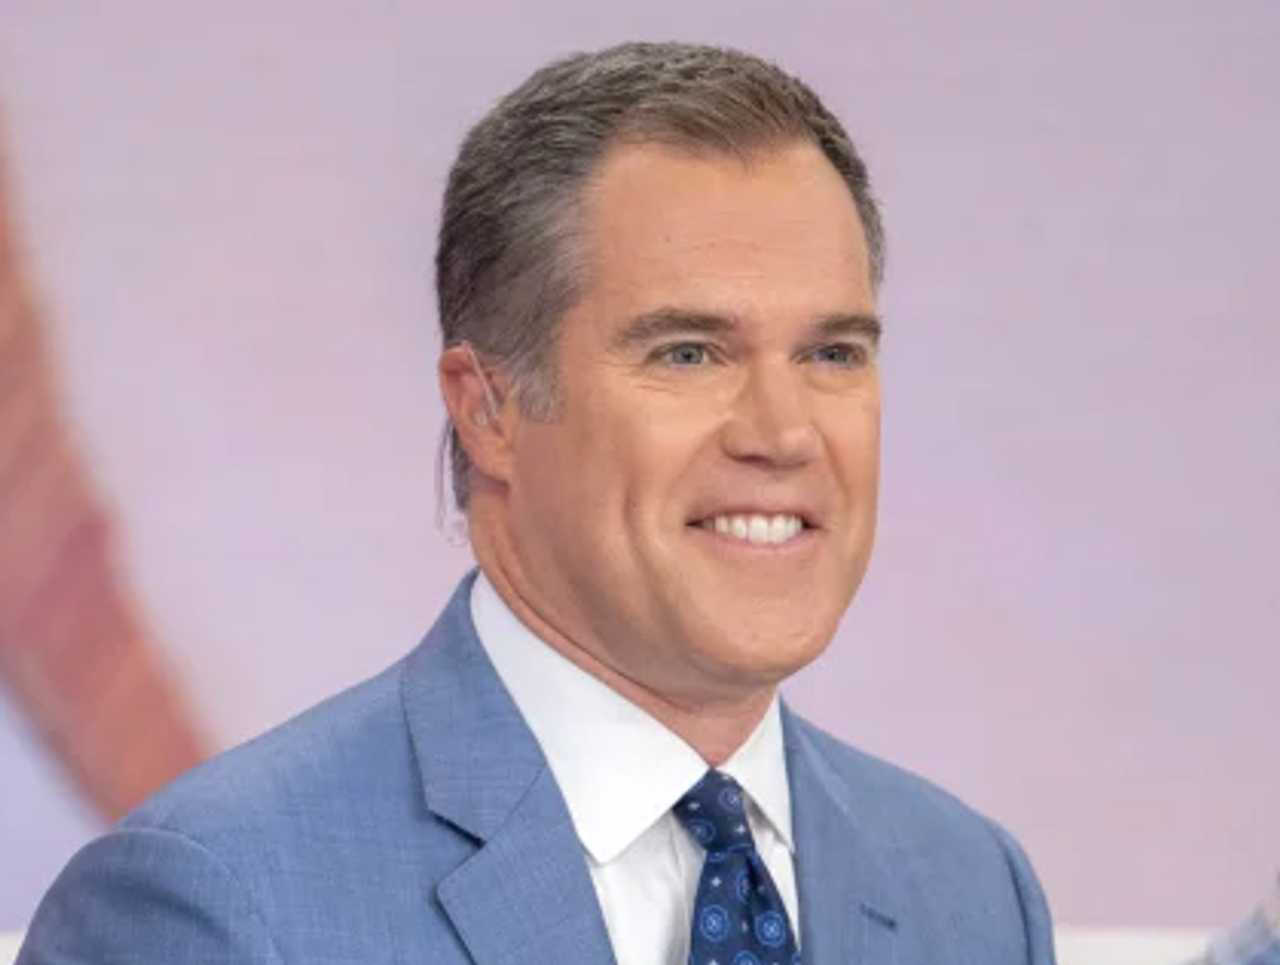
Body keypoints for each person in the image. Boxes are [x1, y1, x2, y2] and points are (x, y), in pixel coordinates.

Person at [19, 42, 1056, 964]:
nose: (783, 433)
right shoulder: (215, 903)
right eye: (688, 353)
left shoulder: (972, 893)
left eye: (831, 354)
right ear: (488, 410)